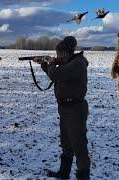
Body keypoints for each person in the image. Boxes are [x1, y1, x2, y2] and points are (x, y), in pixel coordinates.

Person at [34, 36, 91, 180]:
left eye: (58, 54)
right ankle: (64, 173)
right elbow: (56, 76)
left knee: (79, 146)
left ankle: (83, 177)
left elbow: (56, 73)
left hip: (75, 109)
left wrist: (52, 63)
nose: (57, 56)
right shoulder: (69, 63)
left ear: (65, 54)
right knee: (66, 143)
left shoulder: (77, 64)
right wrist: (44, 64)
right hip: (65, 108)